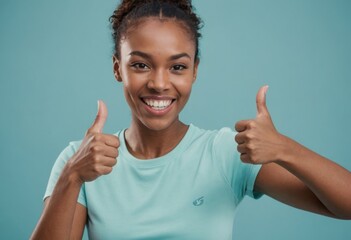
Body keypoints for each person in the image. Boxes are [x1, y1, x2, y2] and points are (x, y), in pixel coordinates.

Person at [31, 0, 351, 239]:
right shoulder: (82, 160)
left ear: (195, 70)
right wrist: (72, 176)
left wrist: (285, 149)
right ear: (118, 68)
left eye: (178, 67)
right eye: (141, 65)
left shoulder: (225, 153)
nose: (159, 83)